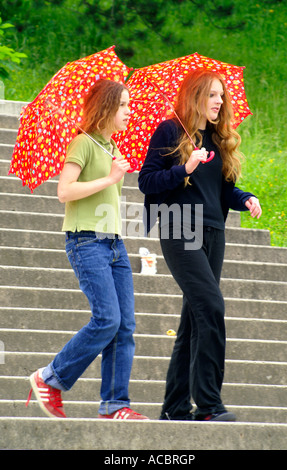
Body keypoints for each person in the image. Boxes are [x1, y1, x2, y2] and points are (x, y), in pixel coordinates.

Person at [138, 69, 262, 421]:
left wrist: (246, 198)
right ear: (194, 96)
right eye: (211, 95)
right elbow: (147, 181)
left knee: (194, 319)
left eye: (221, 95)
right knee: (211, 307)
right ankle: (208, 405)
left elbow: (222, 191)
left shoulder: (220, 139)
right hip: (180, 228)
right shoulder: (170, 131)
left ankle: (175, 408)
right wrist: (185, 167)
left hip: (213, 233)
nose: (219, 101)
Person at [26, 78, 149, 420]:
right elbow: (64, 192)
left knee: (124, 325)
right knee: (107, 319)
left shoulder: (112, 148)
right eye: (123, 105)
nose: (129, 111)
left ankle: (114, 405)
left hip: (114, 243)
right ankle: (49, 377)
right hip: (86, 241)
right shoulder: (82, 142)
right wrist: (110, 178)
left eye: (129, 104)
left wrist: (115, 172)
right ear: (107, 108)